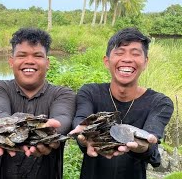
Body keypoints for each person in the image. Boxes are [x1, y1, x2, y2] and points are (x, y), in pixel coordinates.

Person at [70, 27, 174, 179]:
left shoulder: (160, 103)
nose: (127, 59)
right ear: (107, 61)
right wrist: (83, 132)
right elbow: (81, 118)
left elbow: (151, 139)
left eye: (135, 53)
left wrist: (144, 146)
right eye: (119, 52)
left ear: (145, 62)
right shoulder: (90, 92)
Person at [0, 28, 76, 179]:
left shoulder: (63, 94)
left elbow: (62, 120)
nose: (29, 61)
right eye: (22, 55)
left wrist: (52, 130)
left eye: (37, 55)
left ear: (47, 63)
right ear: (11, 61)